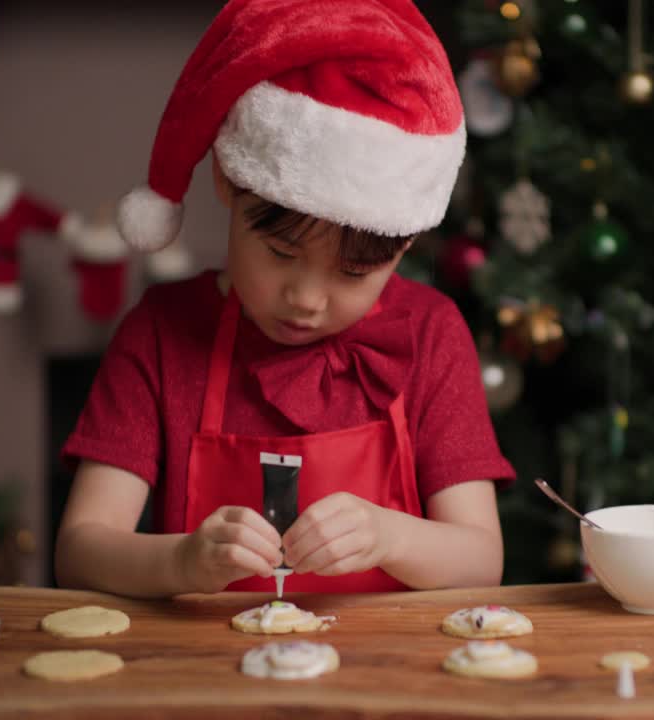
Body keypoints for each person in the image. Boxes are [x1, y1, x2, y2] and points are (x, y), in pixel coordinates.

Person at [55, 0, 515, 599]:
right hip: (211, 679)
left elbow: (482, 559)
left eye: (351, 275)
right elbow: (80, 551)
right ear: (227, 178)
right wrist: (182, 563)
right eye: (279, 254)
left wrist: (390, 537)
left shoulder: (430, 333)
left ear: (404, 245)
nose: (306, 298)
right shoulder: (162, 333)